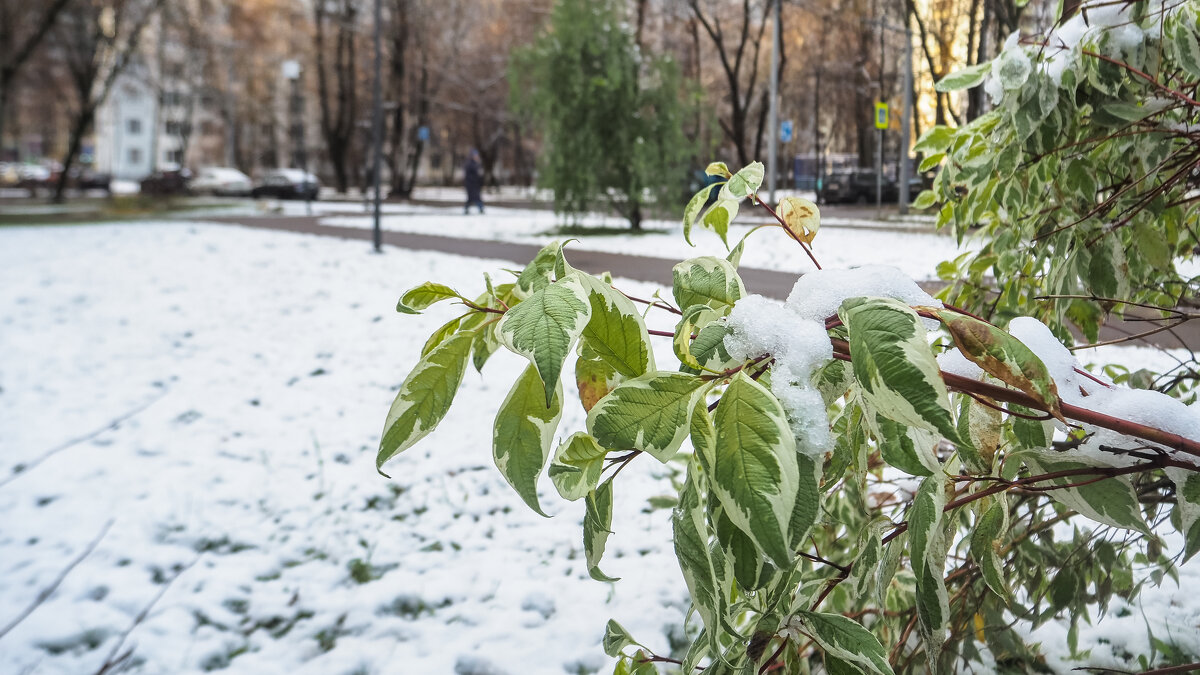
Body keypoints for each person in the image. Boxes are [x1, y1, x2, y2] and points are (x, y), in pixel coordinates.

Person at [463, 149, 484, 214]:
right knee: (473, 198)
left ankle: (479, 209)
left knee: (473, 198)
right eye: (475, 155)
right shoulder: (470, 164)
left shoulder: (477, 164)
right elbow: (469, 176)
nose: (476, 156)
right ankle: (480, 209)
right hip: (471, 185)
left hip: (476, 185)